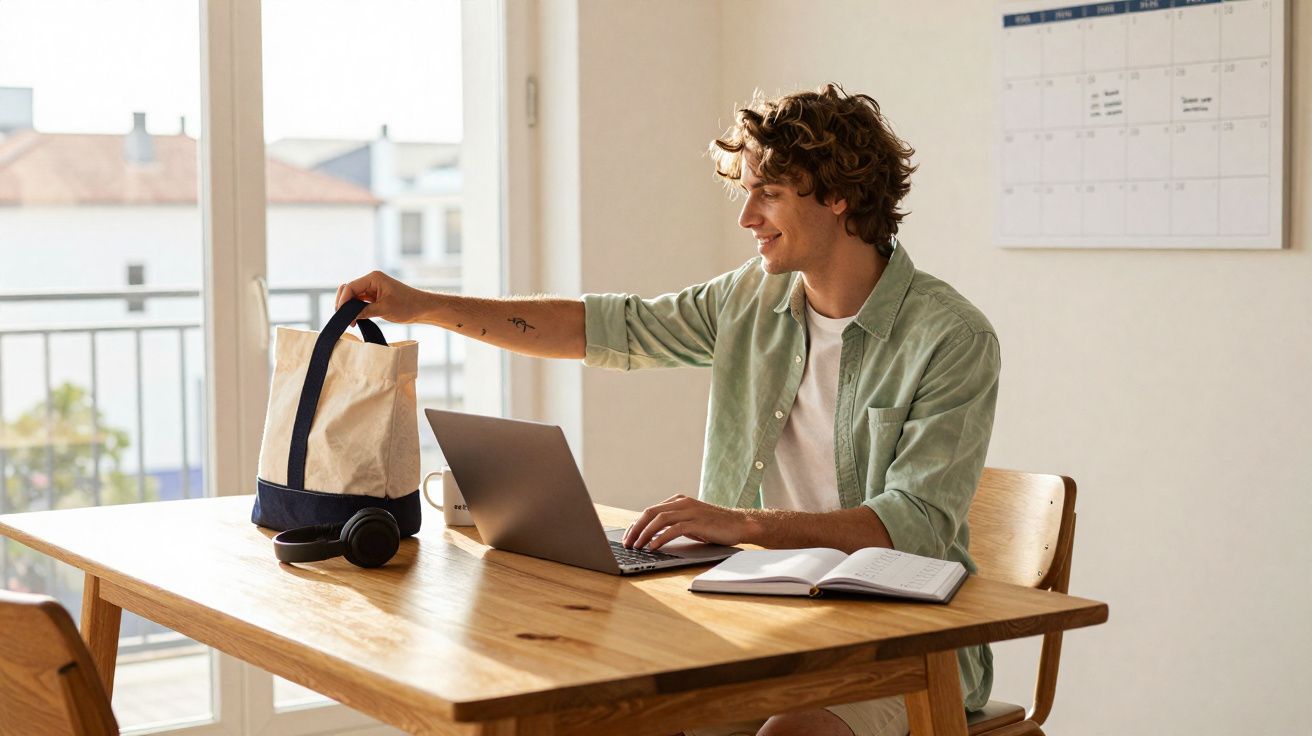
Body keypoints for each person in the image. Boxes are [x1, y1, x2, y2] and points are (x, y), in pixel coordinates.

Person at [335, 83, 999, 736]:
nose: (747, 218)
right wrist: (422, 305)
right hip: (755, 619)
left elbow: (911, 524)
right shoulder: (750, 301)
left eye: (767, 193)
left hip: (900, 644)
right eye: (746, 193)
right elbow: (600, 328)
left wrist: (743, 524)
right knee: (588, 714)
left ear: (838, 196)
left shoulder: (950, 337)